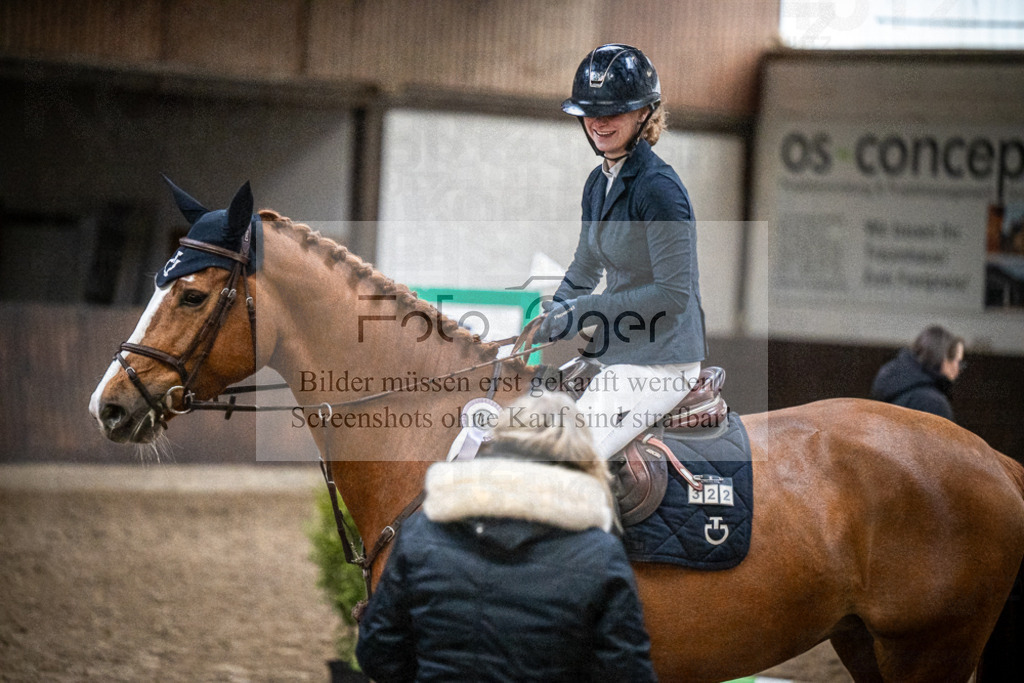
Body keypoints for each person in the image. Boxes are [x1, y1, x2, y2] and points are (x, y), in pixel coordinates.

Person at [355, 392, 656, 683]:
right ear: (582, 460)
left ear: (499, 441)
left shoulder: (420, 533)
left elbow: (378, 655)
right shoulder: (601, 555)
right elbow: (626, 672)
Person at [537, 43, 707, 460]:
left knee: (569, 457)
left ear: (643, 113)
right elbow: (587, 262)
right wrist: (555, 309)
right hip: (620, 351)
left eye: (612, 111)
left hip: (661, 361)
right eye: (590, 112)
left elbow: (671, 295)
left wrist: (586, 310)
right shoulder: (598, 183)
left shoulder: (660, 189)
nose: (598, 122)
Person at [870, 325, 965, 421]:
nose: (958, 368)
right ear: (944, 359)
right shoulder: (934, 404)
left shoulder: (891, 387)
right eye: (958, 362)